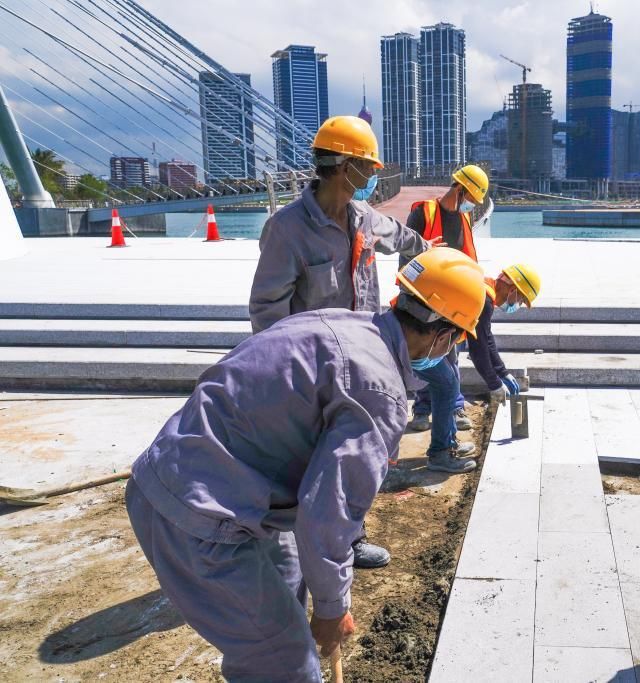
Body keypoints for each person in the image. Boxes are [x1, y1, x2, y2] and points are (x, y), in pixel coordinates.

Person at [126, 248, 487, 682]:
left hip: (187, 468)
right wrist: (334, 610)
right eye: (457, 340)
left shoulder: (335, 322)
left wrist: (325, 598)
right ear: (443, 335)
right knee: (285, 660)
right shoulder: (380, 393)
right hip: (195, 516)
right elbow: (328, 511)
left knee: (291, 573)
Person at [249, 115, 440, 569]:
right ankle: (300, 545)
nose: (374, 177)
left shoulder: (365, 219)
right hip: (312, 369)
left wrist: (439, 259)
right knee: (311, 458)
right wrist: (286, 375)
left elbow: (408, 241)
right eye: (368, 168)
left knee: (358, 455)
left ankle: (349, 540)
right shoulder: (288, 230)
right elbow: (266, 309)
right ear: (342, 166)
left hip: (364, 359)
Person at [402, 164, 489, 435]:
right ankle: (423, 409)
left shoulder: (463, 221)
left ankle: (455, 406)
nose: (471, 207)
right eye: (471, 200)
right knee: (425, 357)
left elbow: (466, 261)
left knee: (451, 355)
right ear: (460, 189)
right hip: (422, 301)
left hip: (451, 305)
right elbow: (407, 258)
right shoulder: (423, 213)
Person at [468, 263, 541, 405]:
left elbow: (486, 337)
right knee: (447, 384)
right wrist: (494, 383)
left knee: (448, 383)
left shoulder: (486, 288)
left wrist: (502, 372)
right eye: (521, 300)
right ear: (513, 290)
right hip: (428, 335)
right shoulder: (485, 300)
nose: (517, 305)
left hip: (439, 334)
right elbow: (478, 347)